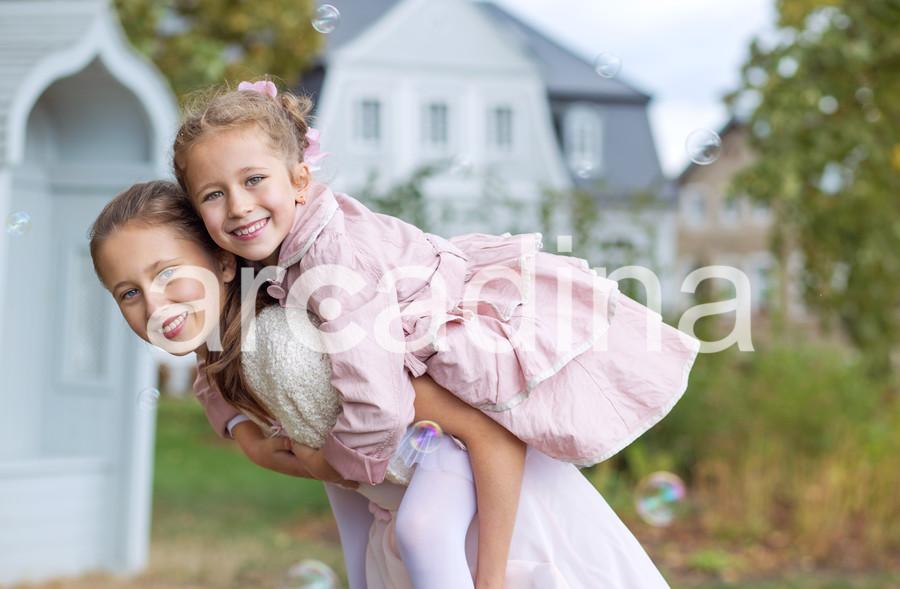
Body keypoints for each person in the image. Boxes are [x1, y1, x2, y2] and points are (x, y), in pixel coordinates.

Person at [171, 79, 699, 588]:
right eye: (214, 194)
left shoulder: (332, 260)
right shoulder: (263, 264)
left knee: (427, 533)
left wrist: (329, 462)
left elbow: (375, 397)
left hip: (450, 383)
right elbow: (215, 351)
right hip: (410, 454)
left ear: (300, 180)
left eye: (254, 180)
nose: (238, 205)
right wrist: (238, 425)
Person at [89, 180, 674, 588]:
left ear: (221, 263)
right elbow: (226, 393)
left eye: (168, 273)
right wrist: (243, 431)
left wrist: (491, 579)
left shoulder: (298, 336)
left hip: (496, 529)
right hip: (413, 535)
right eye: (129, 293)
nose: (155, 302)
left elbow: (490, 436)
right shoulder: (235, 354)